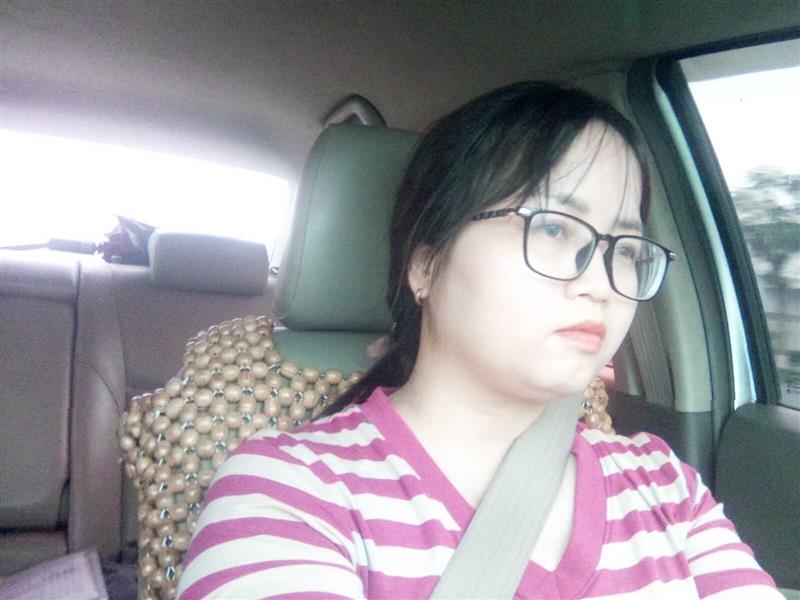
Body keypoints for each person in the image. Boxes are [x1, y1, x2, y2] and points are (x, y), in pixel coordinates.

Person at [177, 82, 781, 599]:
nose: (601, 284)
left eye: (623, 249)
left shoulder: (666, 487)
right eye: (552, 228)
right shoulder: (292, 491)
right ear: (426, 266)